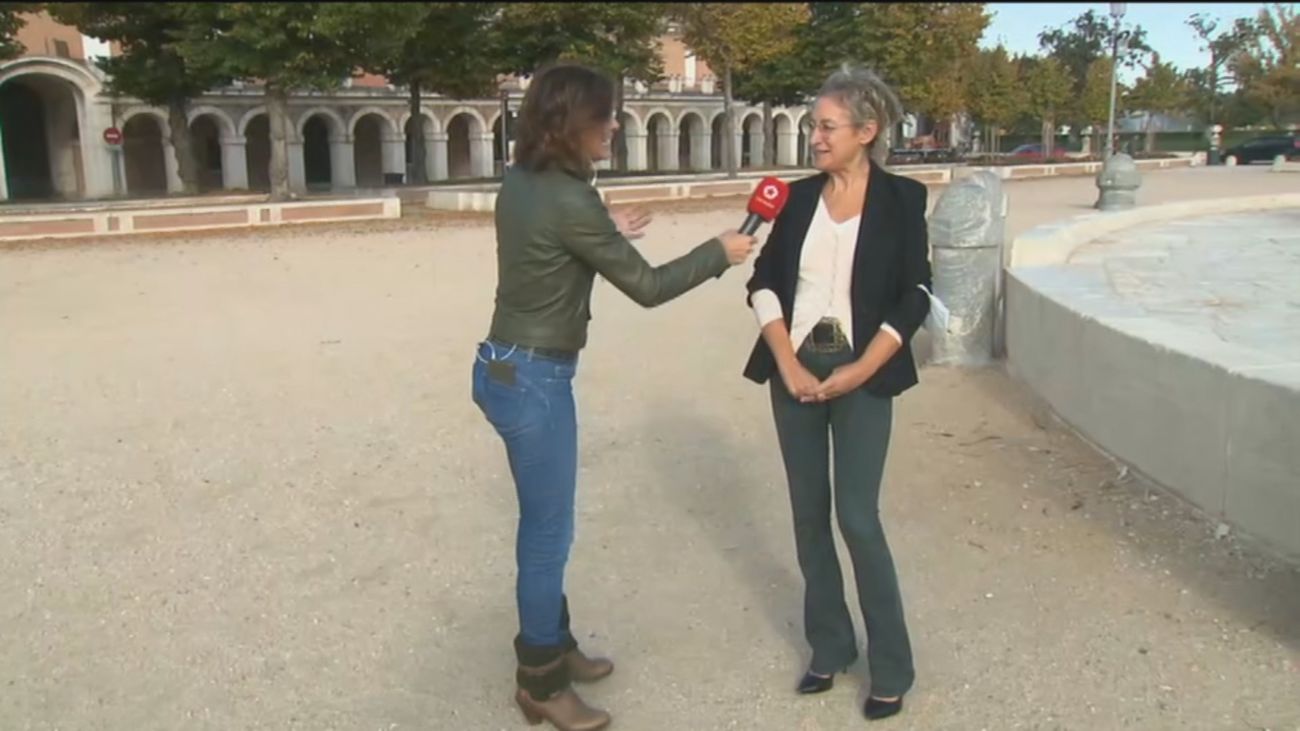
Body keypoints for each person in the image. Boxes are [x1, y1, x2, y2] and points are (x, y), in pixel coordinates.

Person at [471, 63, 756, 731]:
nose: (614, 126)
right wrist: (718, 250)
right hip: (535, 379)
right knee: (547, 536)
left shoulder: (526, 181)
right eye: (605, 117)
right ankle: (540, 680)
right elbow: (650, 288)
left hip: (503, 365)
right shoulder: (571, 201)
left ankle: (555, 644)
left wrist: (606, 227)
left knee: (543, 529)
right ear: (572, 125)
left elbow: (551, 235)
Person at [741, 64, 932, 722]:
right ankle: (829, 644)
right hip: (792, 365)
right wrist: (786, 360)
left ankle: (892, 664)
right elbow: (761, 282)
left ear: (866, 130)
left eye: (826, 126)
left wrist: (861, 369)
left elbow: (916, 295)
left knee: (857, 516)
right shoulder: (793, 199)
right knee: (807, 514)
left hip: (865, 368)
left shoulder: (904, 199)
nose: (814, 138)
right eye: (811, 126)